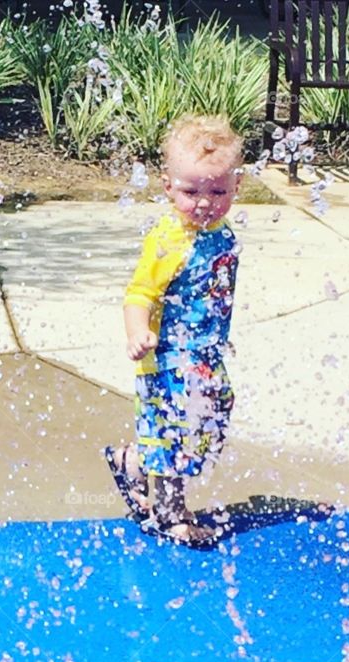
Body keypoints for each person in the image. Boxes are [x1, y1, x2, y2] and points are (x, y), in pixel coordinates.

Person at [106, 115, 243, 547]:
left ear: (236, 186)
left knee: (216, 411)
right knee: (173, 428)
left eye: (217, 191)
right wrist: (136, 333)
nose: (204, 202)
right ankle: (171, 515)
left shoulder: (223, 233)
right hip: (165, 355)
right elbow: (139, 294)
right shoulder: (169, 238)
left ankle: (133, 463)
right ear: (168, 187)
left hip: (204, 354)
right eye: (191, 192)